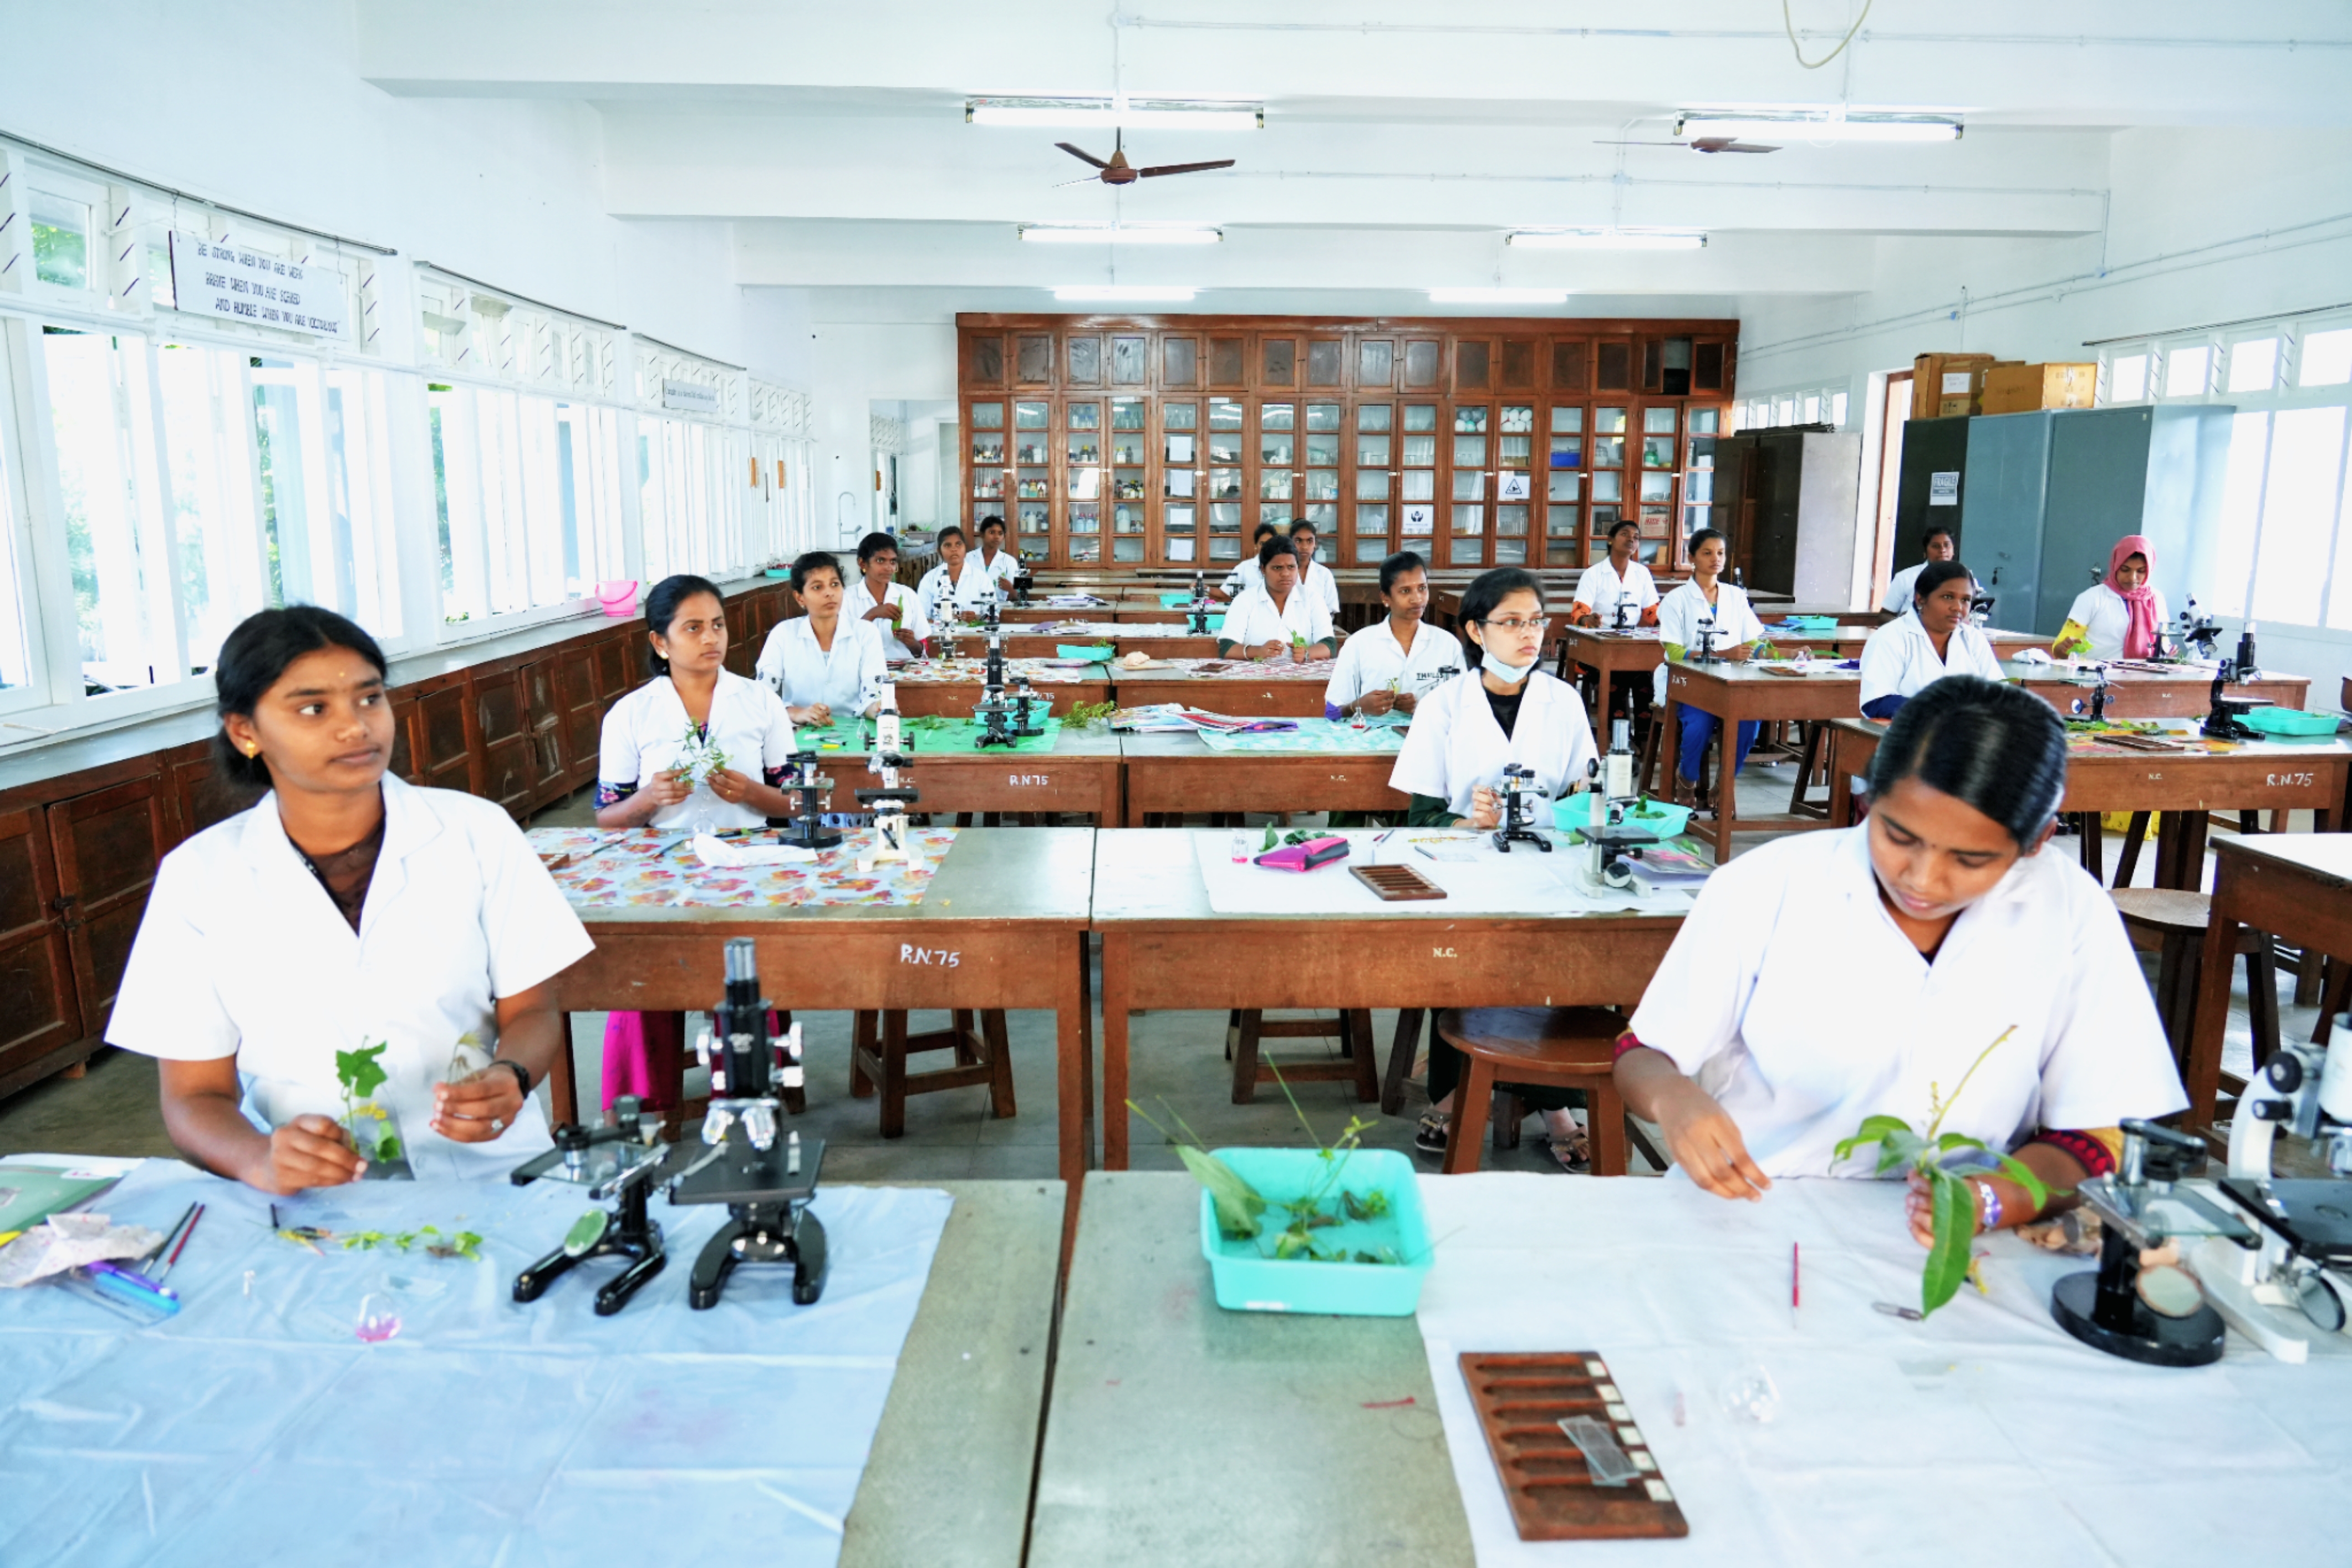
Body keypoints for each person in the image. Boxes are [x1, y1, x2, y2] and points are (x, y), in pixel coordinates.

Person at [1611, 676, 2185, 1252]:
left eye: (1970, 858)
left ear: (2036, 841)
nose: (1923, 878)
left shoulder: (2067, 908)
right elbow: (1642, 1052)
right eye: (1899, 835)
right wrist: (1675, 1099)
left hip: (1960, 1238)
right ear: (1869, 798)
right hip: (1754, 1214)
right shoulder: (1766, 885)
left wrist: (1994, 1196)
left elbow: (2097, 1129)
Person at [106, 607, 593, 1190]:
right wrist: (258, 1158)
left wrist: (511, 1074)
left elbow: (533, 1009)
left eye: (370, 698)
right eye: (314, 708)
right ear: (246, 732)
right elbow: (192, 1097)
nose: (356, 726)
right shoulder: (201, 877)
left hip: (486, 1171)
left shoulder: (476, 832)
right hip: (310, 1195)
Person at [1389, 568, 1600, 1171]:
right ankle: (1454, 1091)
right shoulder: (1444, 705)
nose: (1528, 634)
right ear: (1476, 630)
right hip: (1464, 865)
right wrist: (1466, 823)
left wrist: (1568, 808)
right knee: (1460, 951)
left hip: (1546, 861)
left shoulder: (1563, 701)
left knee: (1560, 951)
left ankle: (1555, 1103)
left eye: (1536, 621)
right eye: (1511, 622)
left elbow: (1585, 797)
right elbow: (1420, 816)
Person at [596, 575, 802, 1113]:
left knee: (748, 981)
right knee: (640, 979)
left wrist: (756, 793)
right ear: (660, 642)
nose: (711, 638)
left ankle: (748, 1100)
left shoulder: (759, 701)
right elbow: (608, 818)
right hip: (660, 866)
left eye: (717, 624)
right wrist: (646, 800)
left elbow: (800, 803)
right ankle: (646, 1113)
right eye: (693, 627)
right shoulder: (631, 714)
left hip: (747, 863)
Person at [1655, 529, 1769, 810]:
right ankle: (1687, 778)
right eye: (1707, 553)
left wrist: (1781, 654)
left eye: (1720, 553)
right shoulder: (1677, 599)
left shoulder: (1735, 596)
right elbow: (1674, 651)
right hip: (1690, 682)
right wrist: (1722, 654)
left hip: (1730, 682)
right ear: (1692, 558)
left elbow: (1753, 640)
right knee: (1700, 722)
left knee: (1749, 722)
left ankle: (1725, 782)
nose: (1715, 559)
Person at [1323, 551, 1462, 720]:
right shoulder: (1359, 644)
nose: (1417, 599)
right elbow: (1331, 712)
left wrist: (1421, 707)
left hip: (1431, 741)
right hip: (1369, 742)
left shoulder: (1448, 645)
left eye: (1422, 588)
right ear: (1386, 598)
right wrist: (1358, 706)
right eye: (1405, 591)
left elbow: (1464, 706)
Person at [757, 551, 888, 727]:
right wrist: (796, 712)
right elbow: (762, 697)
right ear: (800, 597)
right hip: (799, 731)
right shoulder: (783, 635)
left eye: (835, 584)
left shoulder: (866, 633)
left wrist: (878, 708)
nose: (829, 593)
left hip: (854, 730)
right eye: (817, 587)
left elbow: (872, 694)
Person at [1859, 561, 2004, 721]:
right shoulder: (1891, 637)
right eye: (1948, 597)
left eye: (1966, 600)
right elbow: (1876, 701)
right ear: (1921, 599)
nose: (1958, 608)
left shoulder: (1974, 640)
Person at [1217, 537, 1335, 661]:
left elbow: (1329, 645)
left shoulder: (1313, 599)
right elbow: (1226, 647)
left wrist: (1307, 653)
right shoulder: (1245, 601)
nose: (1286, 574)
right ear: (1263, 570)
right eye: (1278, 568)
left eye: (1291, 567)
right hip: (1256, 678)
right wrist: (1258, 651)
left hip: (1300, 679)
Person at [2055, 534, 2170, 661]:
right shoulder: (2092, 598)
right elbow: (2060, 651)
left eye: (2141, 571)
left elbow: (2163, 643)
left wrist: (2168, 652)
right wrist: (2065, 648)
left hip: (2146, 678)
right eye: (2125, 570)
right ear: (2115, 566)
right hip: (2098, 678)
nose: (2133, 578)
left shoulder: (2156, 599)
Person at [844, 531, 929, 665]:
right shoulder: (846, 598)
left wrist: (912, 643)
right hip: (862, 670)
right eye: (880, 561)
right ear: (862, 564)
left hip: (904, 671)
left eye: (893, 562)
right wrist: (872, 614)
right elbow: (842, 647)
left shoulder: (907, 595)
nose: (888, 568)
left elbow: (922, 652)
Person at [1569, 520, 1660, 629]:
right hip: (1598, 636)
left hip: (1631, 638)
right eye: (1624, 534)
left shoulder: (1643, 573)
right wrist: (1588, 620)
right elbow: (1579, 611)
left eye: (1636, 537)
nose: (1631, 539)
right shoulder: (1593, 574)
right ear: (1610, 540)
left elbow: (1651, 610)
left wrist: (1665, 623)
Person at [917, 523, 991, 627]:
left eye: (958, 544)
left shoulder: (981, 578)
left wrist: (976, 618)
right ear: (939, 551)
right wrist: (942, 621)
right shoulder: (929, 579)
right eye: (947, 545)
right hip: (940, 638)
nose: (954, 549)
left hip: (973, 638)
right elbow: (921, 618)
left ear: (966, 550)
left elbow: (993, 615)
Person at [1880, 525, 1959, 617]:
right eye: (1936, 546)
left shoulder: (1964, 578)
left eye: (1947, 545)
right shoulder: (1905, 578)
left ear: (1953, 550)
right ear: (1925, 552)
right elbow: (1884, 616)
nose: (1942, 550)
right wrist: (1904, 626)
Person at [1288, 519, 1343, 619]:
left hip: (1319, 629)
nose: (1304, 547)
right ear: (1290, 542)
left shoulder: (1324, 574)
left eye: (1310, 541)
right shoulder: (1282, 572)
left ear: (1315, 544)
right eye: (1298, 541)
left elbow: (1330, 610)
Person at [1219, 520, 1284, 600]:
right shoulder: (1244, 568)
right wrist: (1205, 588)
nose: (1266, 547)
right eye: (1262, 544)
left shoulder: (1283, 567)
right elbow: (1225, 593)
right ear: (1256, 546)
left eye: (1269, 543)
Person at [974, 515, 1022, 594]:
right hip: (973, 606)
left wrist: (1011, 589)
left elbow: (1018, 597)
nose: (997, 537)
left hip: (1000, 605)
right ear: (982, 534)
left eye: (1000, 534)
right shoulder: (968, 559)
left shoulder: (1009, 562)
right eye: (992, 532)